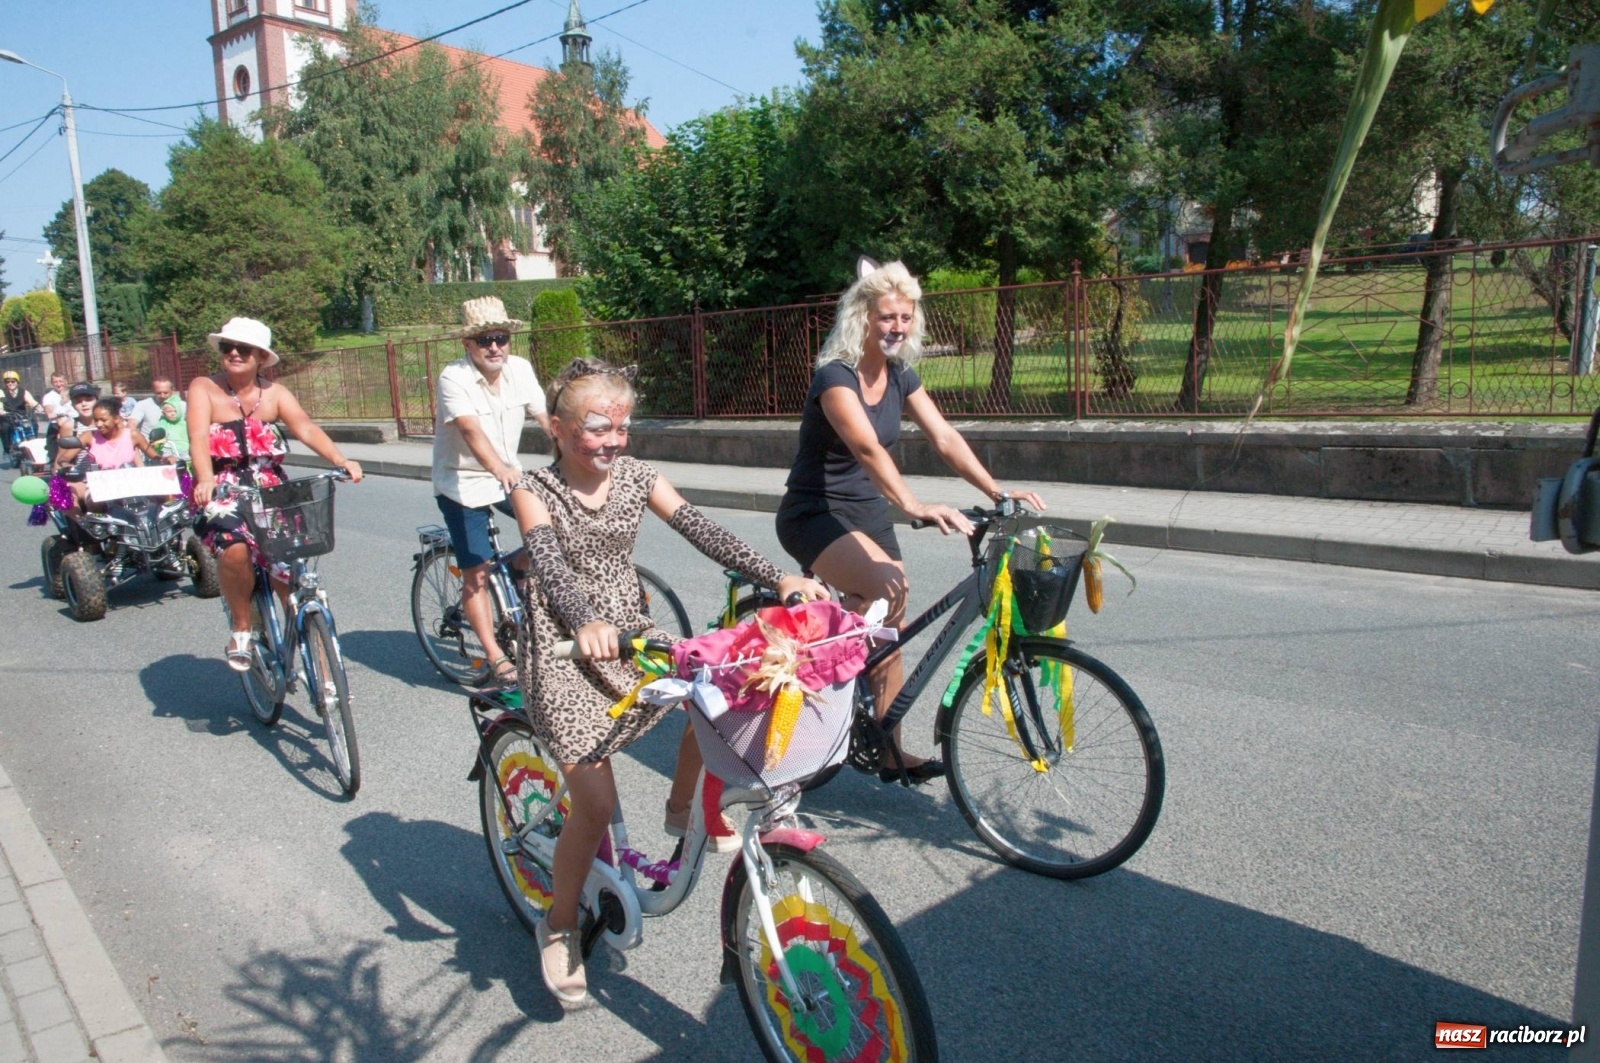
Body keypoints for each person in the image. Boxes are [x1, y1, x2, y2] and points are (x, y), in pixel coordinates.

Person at [509, 357, 823, 1007]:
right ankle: (560, 922)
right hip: (565, 650)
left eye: (622, 427)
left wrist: (779, 575)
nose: (612, 440)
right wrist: (586, 619)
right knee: (593, 805)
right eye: (597, 427)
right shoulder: (533, 489)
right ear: (560, 429)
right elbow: (548, 563)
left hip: (630, 635)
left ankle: (681, 813)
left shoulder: (637, 476)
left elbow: (699, 526)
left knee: (707, 700)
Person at [774, 258, 1046, 785]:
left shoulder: (900, 375)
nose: (897, 327)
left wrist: (996, 490)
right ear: (863, 318)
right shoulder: (836, 376)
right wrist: (915, 506)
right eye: (886, 317)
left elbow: (944, 437)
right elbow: (866, 446)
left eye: (905, 317)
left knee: (889, 623)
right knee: (884, 592)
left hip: (867, 512)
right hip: (816, 511)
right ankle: (810, 697)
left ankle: (887, 747)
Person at [187, 317, 363, 672]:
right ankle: (241, 627)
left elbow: (307, 429)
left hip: (270, 488)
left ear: (261, 356)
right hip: (224, 486)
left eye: (243, 349)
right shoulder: (203, 388)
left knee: (290, 569)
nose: (234, 353)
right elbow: (197, 440)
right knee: (234, 548)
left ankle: (316, 658)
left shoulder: (275, 394)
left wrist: (341, 459)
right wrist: (205, 479)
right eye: (227, 347)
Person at [430, 296, 551, 686]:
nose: (494, 346)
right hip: (462, 482)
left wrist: (573, 457)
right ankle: (496, 655)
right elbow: (469, 429)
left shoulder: (520, 369)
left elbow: (546, 417)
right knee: (477, 573)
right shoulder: (454, 377)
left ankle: (518, 564)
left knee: (556, 527)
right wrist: (499, 467)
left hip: (507, 475)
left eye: (500, 337)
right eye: (484, 340)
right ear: (468, 345)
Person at [63, 397, 163, 514]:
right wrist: (68, 468)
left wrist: (167, 459)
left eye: (103, 420)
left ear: (116, 419)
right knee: (96, 502)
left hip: (131, 483)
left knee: (159, 501)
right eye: (96, 420)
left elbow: (153, 455)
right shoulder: (89, 436)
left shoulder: (133, 435)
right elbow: (64, 458)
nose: (99, 424)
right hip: (101, 485)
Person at [0, 371, 41, 460]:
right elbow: (0, 403)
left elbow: (31, 401)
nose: (10, 383)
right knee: (4, 427)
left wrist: (38, 407)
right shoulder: (1, 392)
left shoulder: (23, 392)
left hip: (22, 415)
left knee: (34, 423)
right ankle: (7, 450)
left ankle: (34, 444)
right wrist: (1, 411)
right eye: (8, 382)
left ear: (17, 382)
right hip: (7, 416)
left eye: (12, 381)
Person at [152, 392, 189, 461]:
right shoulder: (162, 424)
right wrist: (158, 446)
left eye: (175, 411)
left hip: (185, 450)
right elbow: (157, 440)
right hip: (169, 450)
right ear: (163, 413)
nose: (172, 414)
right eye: (169, 411)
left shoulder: (184, 424)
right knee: (168, 458)